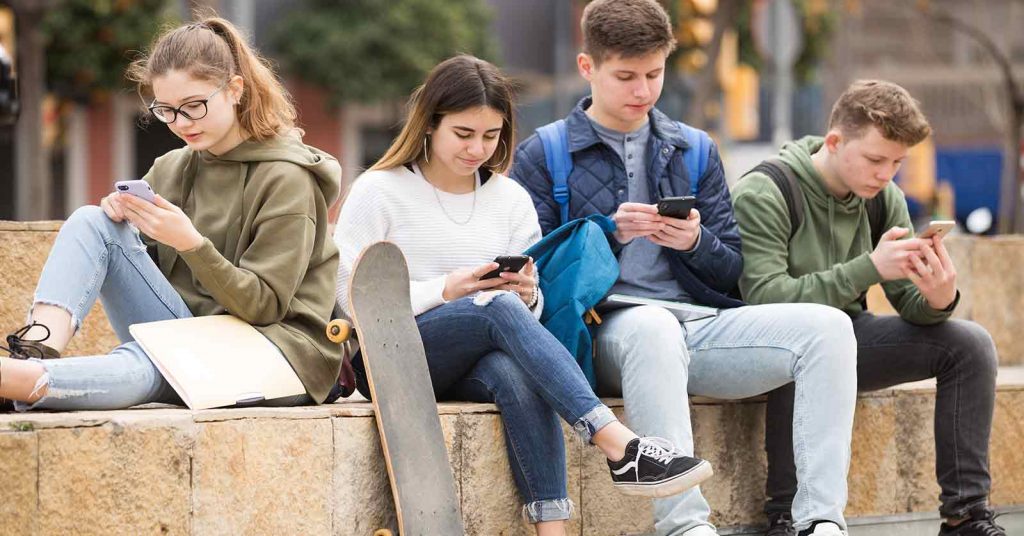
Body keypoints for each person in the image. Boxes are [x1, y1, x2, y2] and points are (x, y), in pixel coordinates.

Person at [510, 1, 859, 535]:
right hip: (605, 331)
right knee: (651, 328)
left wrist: (695, 241)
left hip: (696, 324)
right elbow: (529, 275)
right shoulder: (546, 153)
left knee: (829, 327)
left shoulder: (694, 149)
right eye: (625, 76)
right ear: (588, 68)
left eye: (654, 74)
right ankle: (685, 526)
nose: (642, 91)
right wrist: (607, 231)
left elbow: (731, 273)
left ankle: (821, 522)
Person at [333, 55, 710, 536]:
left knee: (512, 369)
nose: (478, 149)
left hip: (475, 356)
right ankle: (617, 444)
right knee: (496, 306)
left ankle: (552, 529)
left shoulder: (508, 198)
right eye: (464, 134)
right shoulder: (379, 190)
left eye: (490, 136)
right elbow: (349, 295)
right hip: (392, 358)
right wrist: (447, 290)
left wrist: (530, 293)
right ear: (429, 124)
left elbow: (527, 313)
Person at [0, 16, 342, 411]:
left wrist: (191, 243)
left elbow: (265, 306)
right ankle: (34, 356)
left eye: (194, 106)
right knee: (93, 220)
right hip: (191, 338)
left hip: (277, 353)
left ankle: (14, 382)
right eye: (166, 110)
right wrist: (125, 223)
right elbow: (134, 266)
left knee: (151, 367)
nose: (180, 123)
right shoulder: (173, 167)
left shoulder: (288, 178)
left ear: (234, 90)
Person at [732, 80, 1003, 536]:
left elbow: (908, 305)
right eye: (877, 160)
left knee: (970, 345)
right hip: (763, 344)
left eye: (898, 163)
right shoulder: (764, 192)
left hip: (846, 334)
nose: (887, 175)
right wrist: (869, 268)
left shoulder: (883, 199)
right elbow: (764, 299)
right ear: (834, 142)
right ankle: (786, 514)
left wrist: (939, 298)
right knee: (812, 338)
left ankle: (965, 516)